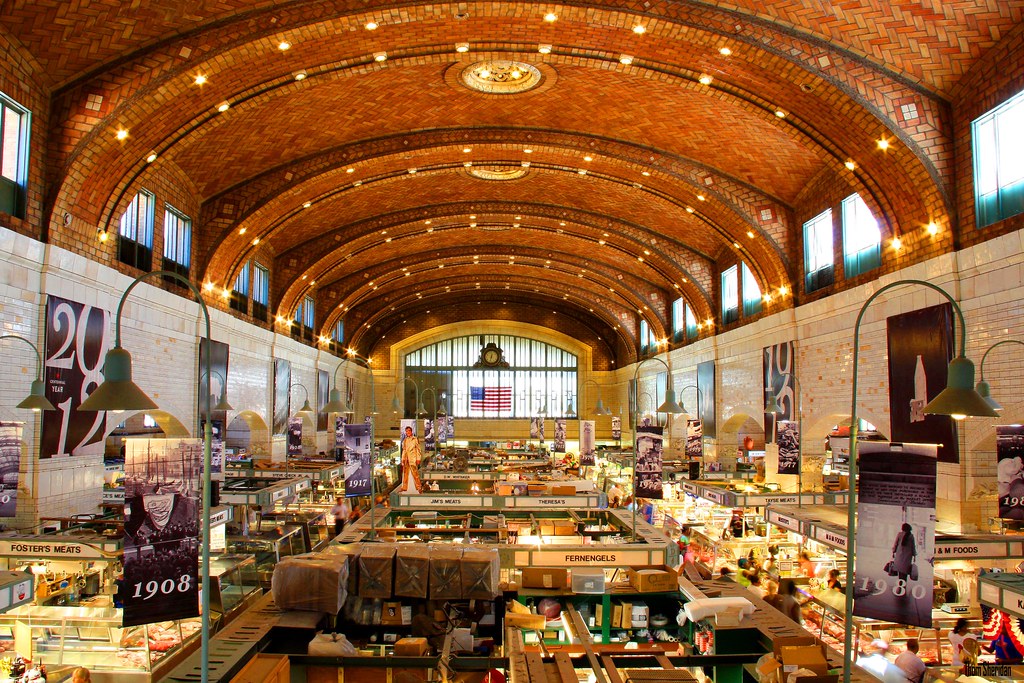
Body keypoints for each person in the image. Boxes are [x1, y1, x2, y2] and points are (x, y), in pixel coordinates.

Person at [399, 425, 423, 493]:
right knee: (405, 474)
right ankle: (404, 487)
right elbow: (404, 450)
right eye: (406, 431)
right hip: (406, 459)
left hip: (413, 459)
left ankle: (419, 487)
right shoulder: (405, 440)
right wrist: (403, 459)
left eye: (409, 431)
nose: (408, 432)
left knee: (415, 474)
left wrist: (418, 458)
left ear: (411, 431)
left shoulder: (415, 439)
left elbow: (418, 449)